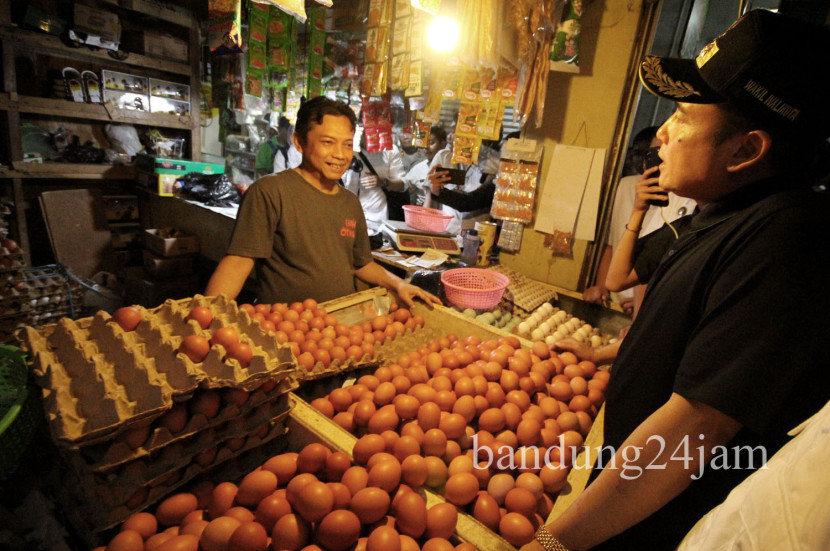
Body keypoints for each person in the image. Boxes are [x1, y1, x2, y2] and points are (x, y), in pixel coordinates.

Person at [524, 10, 830, 551]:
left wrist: (554, 544)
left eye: (685, 115)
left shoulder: (786, 240)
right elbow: (701, 342)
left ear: (746, 149)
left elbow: (697, 431)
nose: (663, 133)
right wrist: (621, 354)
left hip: (656, 521)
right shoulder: (726, 214)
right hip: (627, 498)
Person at [205, 96, 441, 308]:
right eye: (328, 142)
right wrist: (207, 316)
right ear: (299, 142)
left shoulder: (349, 202)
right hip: (286, 327)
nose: (341, 154)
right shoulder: (270, 192)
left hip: (340, 324)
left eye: (348, 144)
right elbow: (238, 263)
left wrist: (399, 284)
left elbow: (362, 264)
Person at [582, 126, 696, 314]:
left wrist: (643, 304)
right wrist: (601, 286)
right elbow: (613, 256)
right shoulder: (626, 187)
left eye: (668, 156)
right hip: (618, 303)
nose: (660, 163)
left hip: (649, 311)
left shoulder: (689, 205)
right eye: (655, 154)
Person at [342, 130, 407, 231]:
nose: (370, 136)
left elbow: (403, 185)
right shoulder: (348, 150)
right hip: (348, 216)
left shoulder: (390, 150)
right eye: (366, 132)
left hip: (378, 218)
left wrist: (384, 182)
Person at [404, 125, 452, 207]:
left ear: (442, 144)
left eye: (431, 143)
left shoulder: (452, 168)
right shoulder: (418, 169)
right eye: (424, 144)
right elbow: (404, 187)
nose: (426, 148)